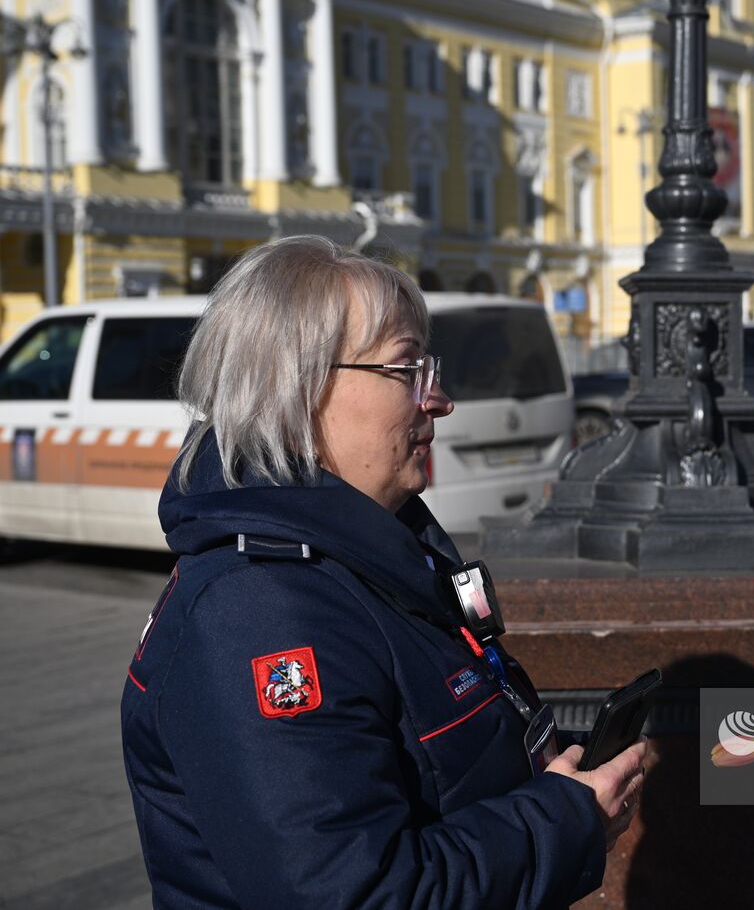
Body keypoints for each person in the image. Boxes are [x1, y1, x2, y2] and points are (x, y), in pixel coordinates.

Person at [121, 236, 645, 908]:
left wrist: (551, 778)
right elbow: (355, 892)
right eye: (407, 371)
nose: (440, 400)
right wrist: (566, 820)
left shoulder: (375, 550)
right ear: (299, 387)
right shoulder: (254, 614)